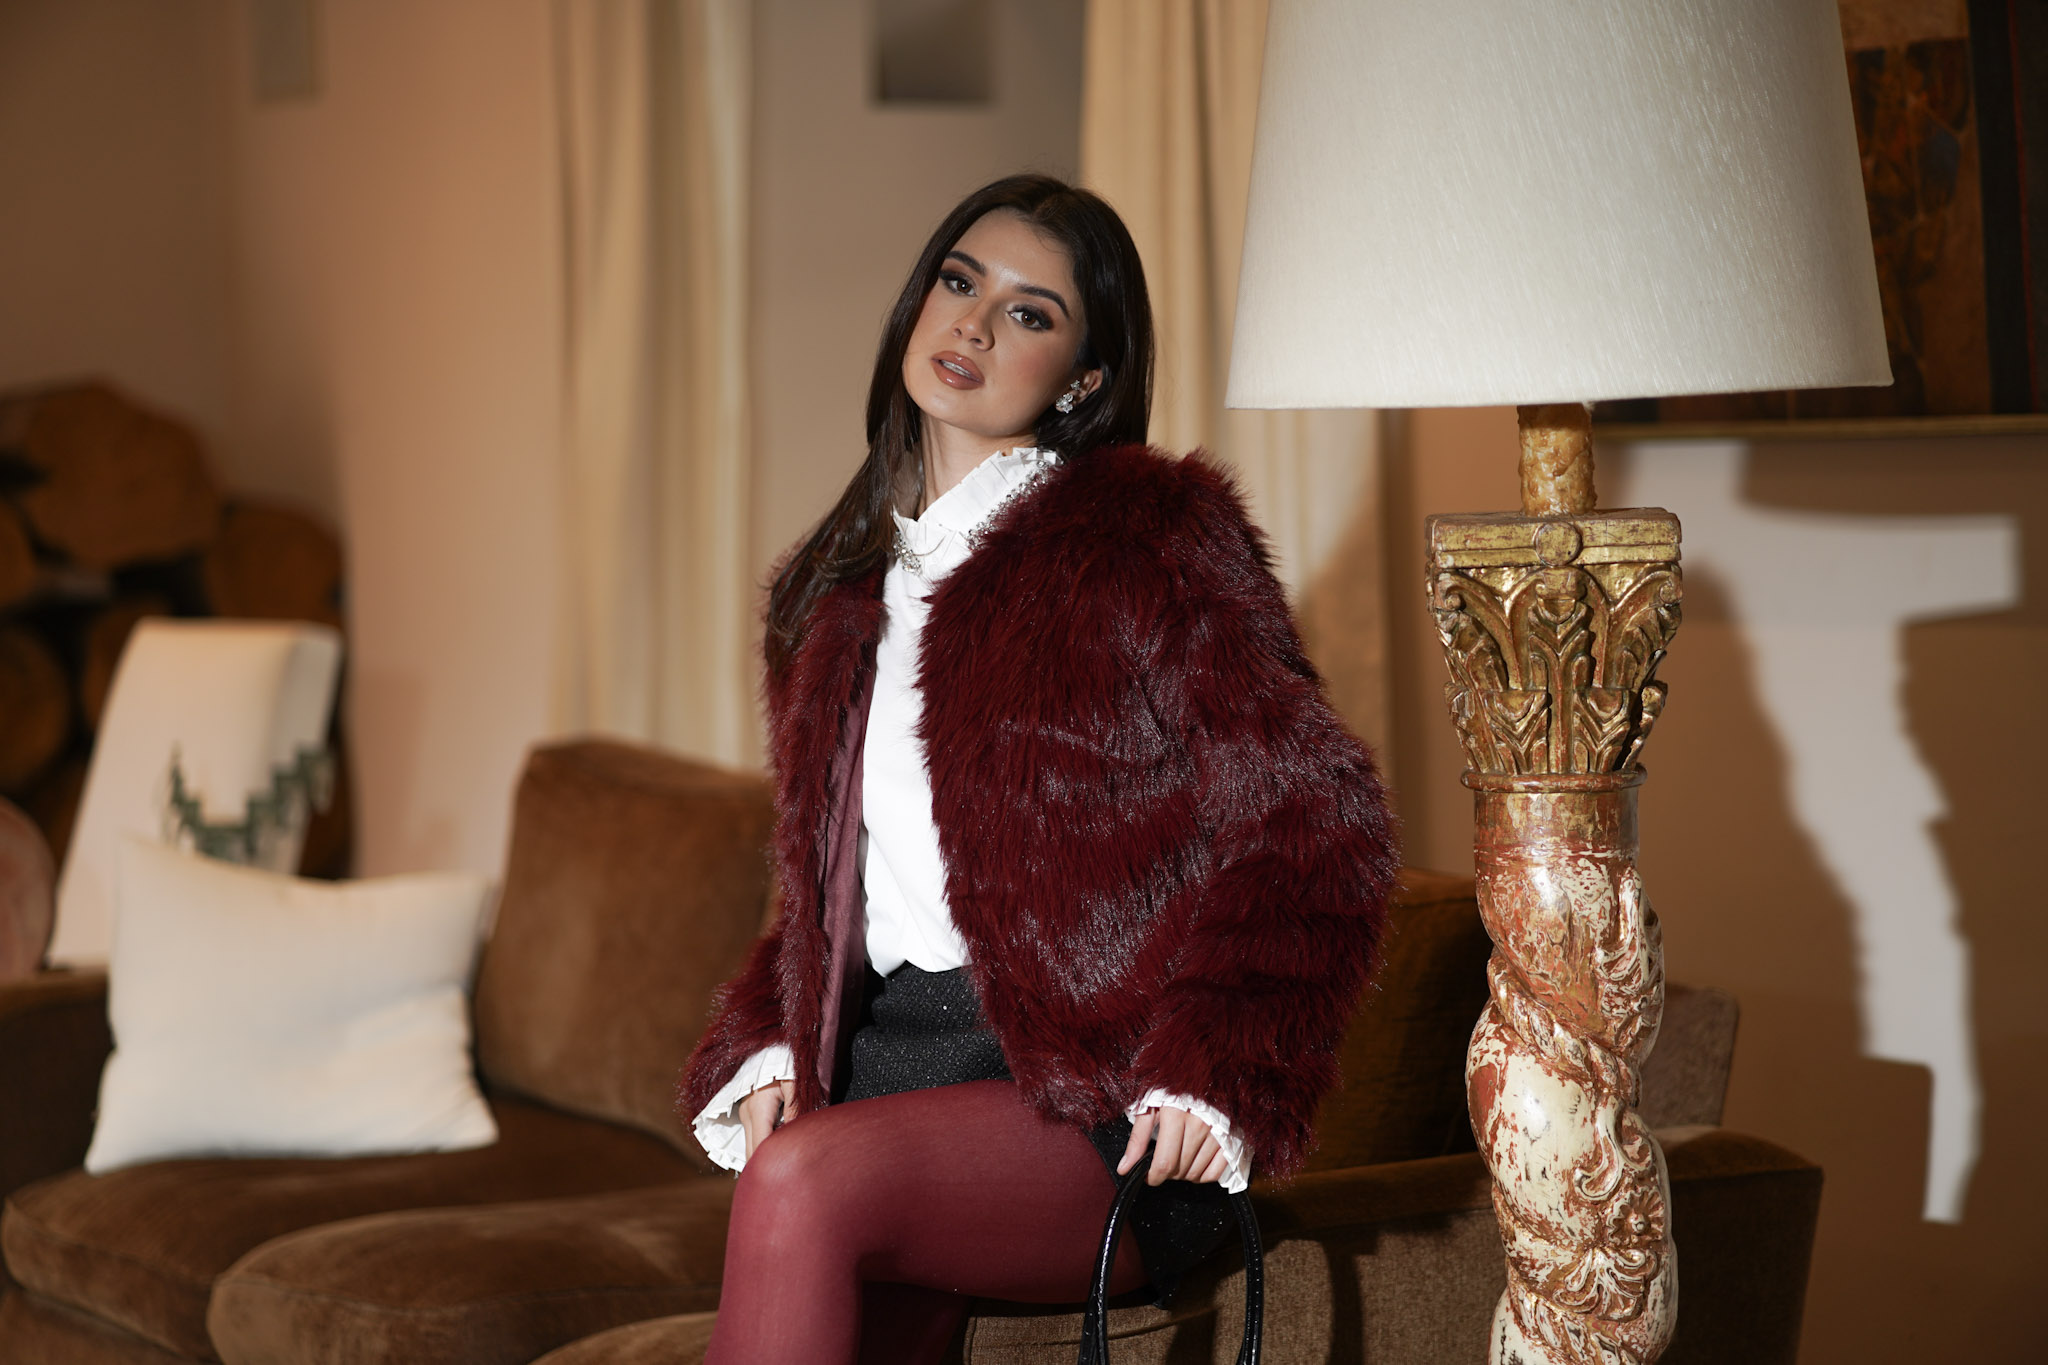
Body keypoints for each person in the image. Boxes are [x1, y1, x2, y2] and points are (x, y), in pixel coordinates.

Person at [679, 173, 1397, 1363]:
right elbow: (832, 894)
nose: (971, 325)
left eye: (1027, 313)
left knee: (800, 1180)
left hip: (1094, 1102)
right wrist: (767, 1032)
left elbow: (1316, 822)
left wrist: (1216, 1070)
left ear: (1082, 380)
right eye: (958, 283)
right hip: (884, 1072)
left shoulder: (1145, 540)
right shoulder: (832, 598)